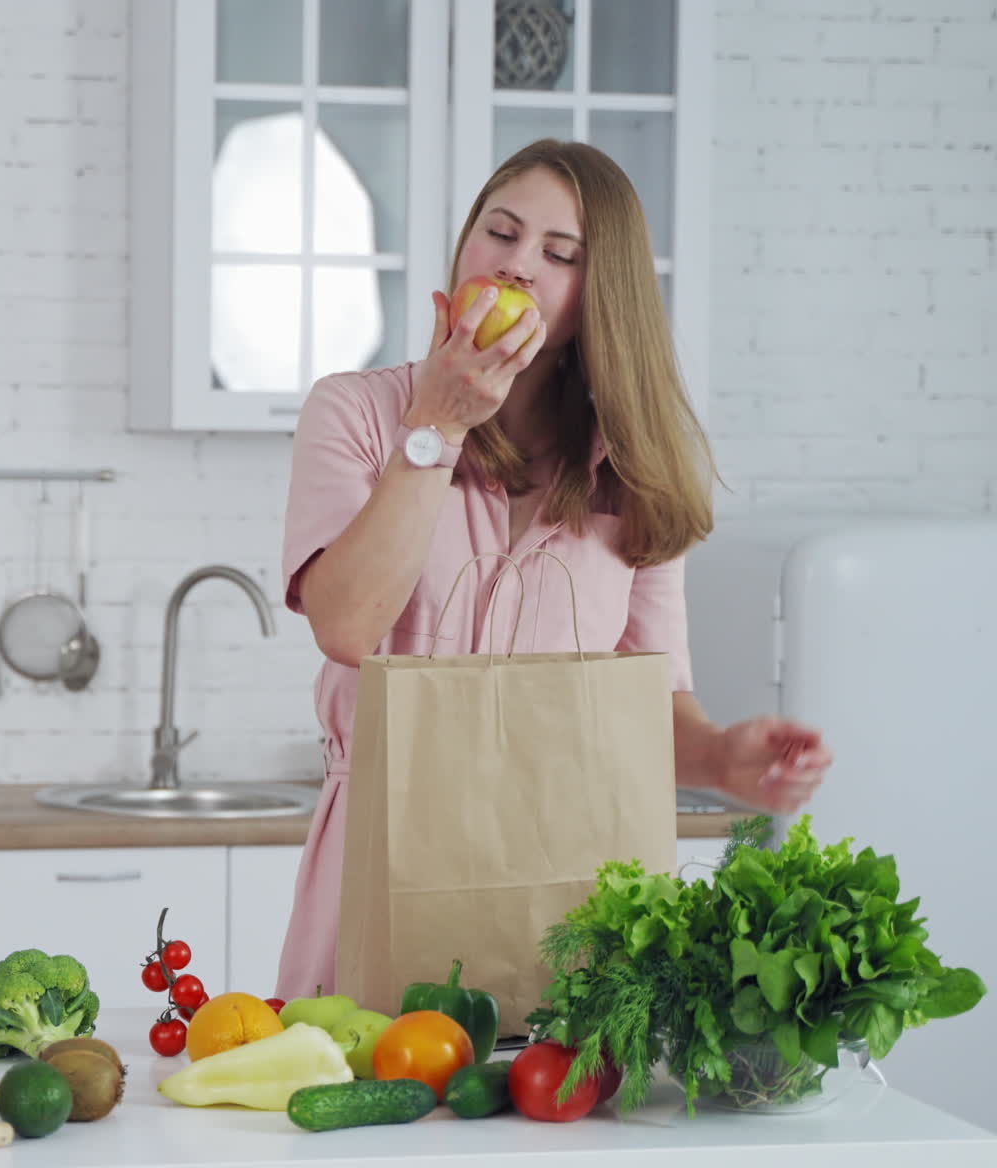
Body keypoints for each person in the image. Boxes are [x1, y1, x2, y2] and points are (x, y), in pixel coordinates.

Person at [275, 139, 833, 1001]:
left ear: (595, 300)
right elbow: (346, 627)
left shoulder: (634, 468)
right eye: (500, 232)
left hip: (564, 880)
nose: (517, 265)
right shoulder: (357, 413)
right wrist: (438, 428)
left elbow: (646, 703)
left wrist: (721, 757)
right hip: (382, 863)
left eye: (559, 253)